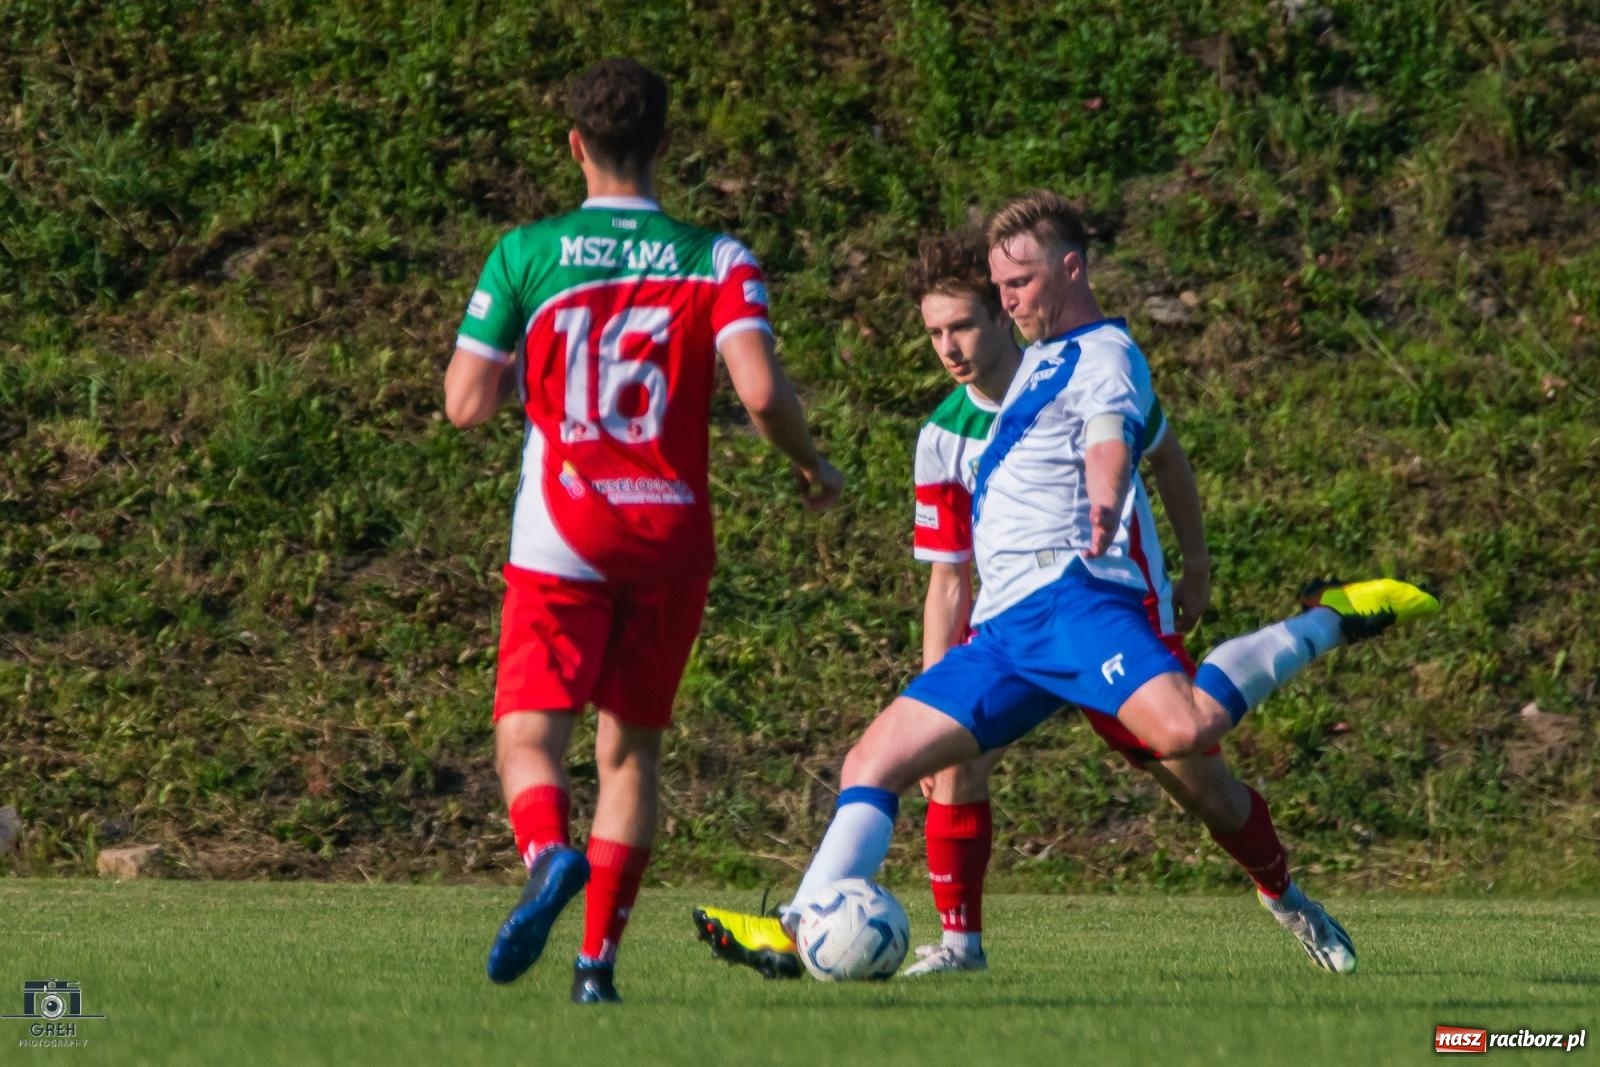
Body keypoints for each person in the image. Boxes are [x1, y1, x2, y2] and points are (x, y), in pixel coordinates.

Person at [691, 192, 1438, 980]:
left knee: (1198, 764)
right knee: (870, 761)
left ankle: (1324, 636)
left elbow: (1122, 440)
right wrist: (938, 671)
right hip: (1006, 630)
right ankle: (805, 924)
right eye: (991, 291)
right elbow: (950, 573)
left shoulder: (1105, 353)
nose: (999, 308)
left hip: (1085, 604)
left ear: (1066, 271)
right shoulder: (968, 414)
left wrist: (1141, 519)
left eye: (1009, 290)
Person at [444, 57, 841, 1005]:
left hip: (562, 534)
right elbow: (756, 391)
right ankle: (595, 969)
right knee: (632, 751)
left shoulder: (525, 251)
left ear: (575, 145)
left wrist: (514, 376)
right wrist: (810, 462)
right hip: (669, 534)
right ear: (665, 145)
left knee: (528, 736)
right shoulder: (716, 256)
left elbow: (465, 403)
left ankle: (547, 852)